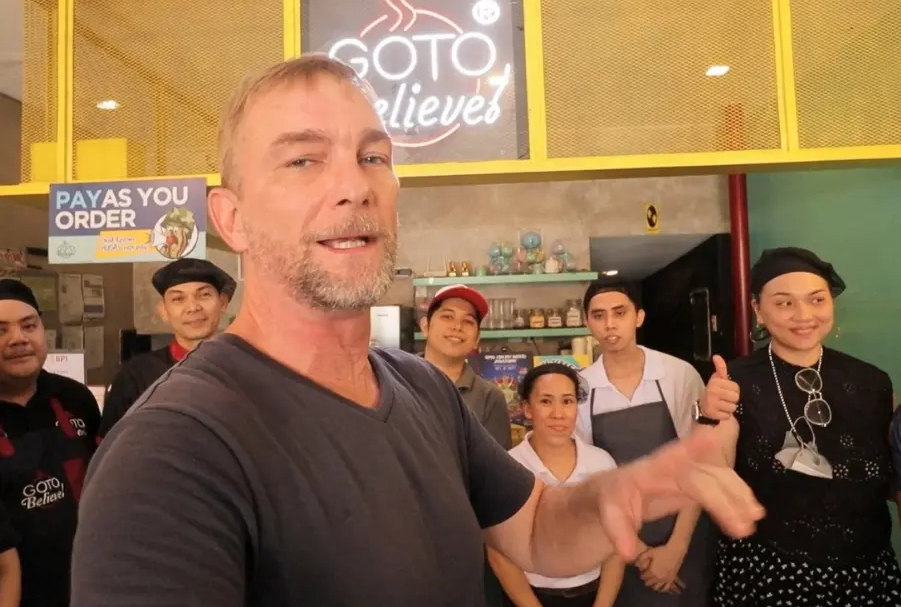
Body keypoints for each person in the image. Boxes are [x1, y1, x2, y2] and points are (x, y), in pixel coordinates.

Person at [69, 54, 763, 607]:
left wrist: (636, 488)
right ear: (231, 218)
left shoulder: (421, 387)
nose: (354, 185)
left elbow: (536, 531)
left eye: (374, 156)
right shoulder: (170, 453)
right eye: (303, 159)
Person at [698, 247, 901, 605]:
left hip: (867, 571)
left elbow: (894, 479)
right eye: (784, 303)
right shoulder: (734, 380)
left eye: (816, 300)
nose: (804, 315)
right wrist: (707, 415)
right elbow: (712, 472)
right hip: (770, 572)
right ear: (758, 309)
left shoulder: (874, 382)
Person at [576, 280, 716, 606]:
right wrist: (639, 553)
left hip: (685, 532)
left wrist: (676, 549)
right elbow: (589, 481)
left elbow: (700, 464)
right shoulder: (581, 388)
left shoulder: (678, 374)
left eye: (619, 313)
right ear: (587, 322)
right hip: (618, 540)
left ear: (638, 317)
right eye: (599, 316)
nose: (610, 324)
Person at [489, 363, 624, 607]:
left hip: (593, 596)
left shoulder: (601, 463)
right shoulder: (508, 468)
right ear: (527, 409)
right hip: (528, 598)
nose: (558, 414)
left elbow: (616, 543)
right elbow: (499, 555)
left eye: (567, 401)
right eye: (546, 401)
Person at [0, 279, 100, 606]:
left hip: (85, 584)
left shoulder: (75, 397)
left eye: (29, 326)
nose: (19, 339)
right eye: (1, 330)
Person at [99, 258, 236, 435]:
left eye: (204, 295)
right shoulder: (136, 375)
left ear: (223, 302)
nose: (193, 307)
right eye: (178, 299)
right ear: (163, 311)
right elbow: (111, 447)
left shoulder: (247, 368)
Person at [421, 284, 512, 449]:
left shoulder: (489, 398)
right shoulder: (395, 379)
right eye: (447, 317)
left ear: (477, 339)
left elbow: (495, 469)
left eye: (468, 321)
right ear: (426, 327)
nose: (457, 327)